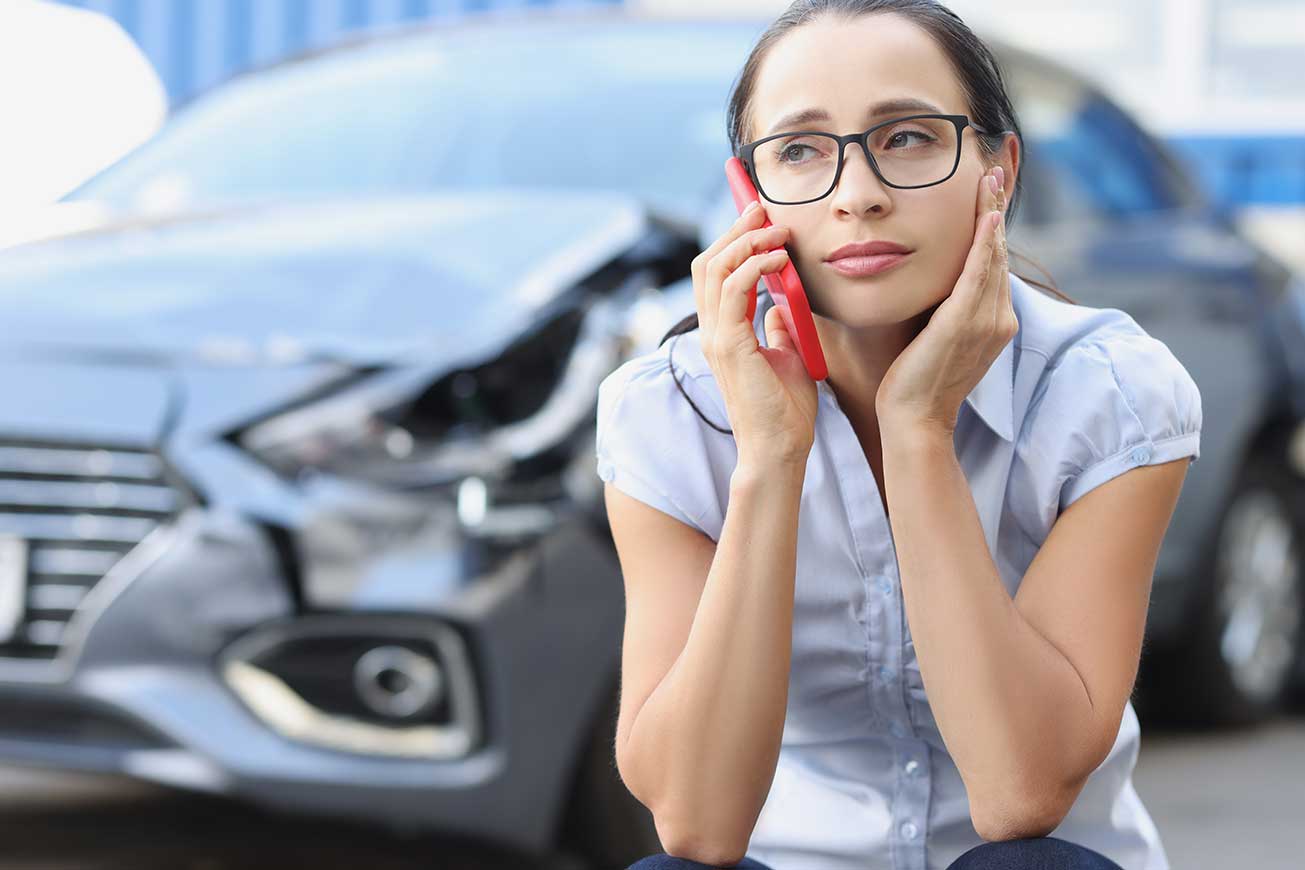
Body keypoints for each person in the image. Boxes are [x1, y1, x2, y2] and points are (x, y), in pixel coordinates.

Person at [595, 1, 1201, 868]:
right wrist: (768, 459)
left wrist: (918, 429)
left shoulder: (1107, 392)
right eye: (800, 151)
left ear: (998, 169)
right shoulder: (667, 411)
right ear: (749, 195)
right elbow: (694, 825)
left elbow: (1021, 794)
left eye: (908, 137)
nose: (858, 195)